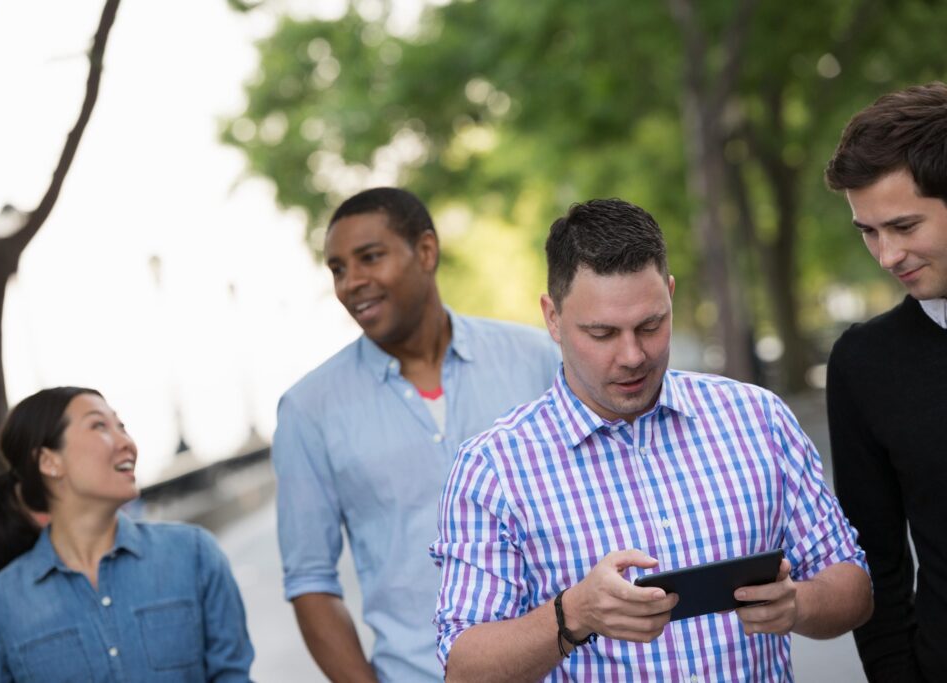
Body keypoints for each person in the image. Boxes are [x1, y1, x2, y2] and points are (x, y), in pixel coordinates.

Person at [431, 198, 873, 682]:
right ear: (552, 318)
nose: (632, 355)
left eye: (650, 325)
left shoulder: (758, 418)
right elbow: (464, 669)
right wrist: (572, 614)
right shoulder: (493, 467)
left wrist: (799, 603)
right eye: (601, 333)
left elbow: (853, 586)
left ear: (670, 294)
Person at [272, 187, 560, 682]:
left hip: (567, 668)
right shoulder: (308, 410)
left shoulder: (539, 360)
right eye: (338, 269)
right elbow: (310, 580)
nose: (351, 282)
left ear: (426, 251)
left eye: (370, 258)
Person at [0, 387, 254, 682]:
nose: (127, 443)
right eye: (99, 425)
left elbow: (233, 676)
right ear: (49, 461)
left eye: (122, 427)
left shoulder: (194, 554)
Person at [824, 82, 947, 682]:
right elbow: (875, 559)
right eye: (868, 231)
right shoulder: (863, 364)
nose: (887, 255)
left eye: (903, 225)